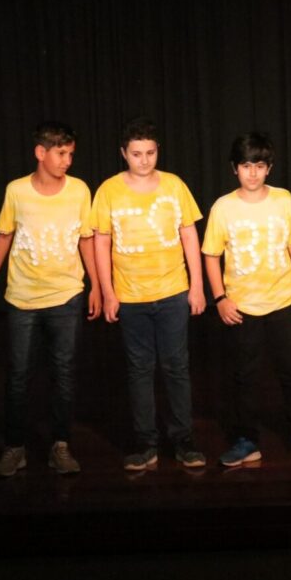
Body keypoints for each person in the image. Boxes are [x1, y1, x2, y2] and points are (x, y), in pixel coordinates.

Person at [0, 121, 102, 477]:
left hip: (66, 296)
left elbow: (86, 239)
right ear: (41, 152)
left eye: (70, 154)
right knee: (18, 375)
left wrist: (96, 284)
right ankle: (14, 447)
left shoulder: (79, 190)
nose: (67, 161)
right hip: (23, 298)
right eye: (61, 153)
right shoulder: (17, 191)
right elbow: (4, 235)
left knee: (63, 373)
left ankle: (60, 445)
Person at [92, 117, 207, 471]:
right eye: (137, 153)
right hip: (130, 296)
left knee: (176, 366)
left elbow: (189, 234)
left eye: (150, 153)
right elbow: (101, 242)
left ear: (158, 151)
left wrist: (197, 286)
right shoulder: (109, 190)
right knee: (140, 369)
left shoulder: (174, 185)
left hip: (172, 291)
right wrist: (108, 292)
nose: (144, 160)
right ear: (123, 153)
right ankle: (146, 443)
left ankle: (183, 440)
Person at [202, 132, 291, 467]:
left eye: (259, 165)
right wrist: (220, 298)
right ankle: (246, 440)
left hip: (283, 300)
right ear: (234, 168)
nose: (252, 172)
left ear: (269, 168)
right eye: (245, 165)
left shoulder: (283, 200)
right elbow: (211, 254)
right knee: (245, 377)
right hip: (242, 307)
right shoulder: (223, 207)